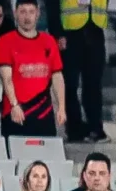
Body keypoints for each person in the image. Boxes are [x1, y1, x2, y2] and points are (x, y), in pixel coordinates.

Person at [0, 0, 65, 137]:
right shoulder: (5, 41)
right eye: (23, 12)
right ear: (15, 14)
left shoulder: (49, 41)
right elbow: (6, 78)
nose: (27, 17)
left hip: (44, 112)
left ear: (38, 14)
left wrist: (61, 107)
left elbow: (57, 76)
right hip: (16, 112)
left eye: (31, 12)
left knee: (45, 157)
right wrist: (14, 105)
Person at [44, 0, 107, 143]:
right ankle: (74, 128)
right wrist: (57, 33)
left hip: (95, 30)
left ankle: (95, 127)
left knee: (94, 83)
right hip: (69, 33)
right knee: (70, 84)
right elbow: (51, 4)